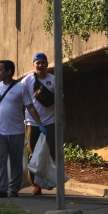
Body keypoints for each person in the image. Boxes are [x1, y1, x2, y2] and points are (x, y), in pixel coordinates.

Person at [0, 60, 46, 198]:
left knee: (16, 161)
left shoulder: (20, 88)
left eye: (0, 70)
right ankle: (1, 188)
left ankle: (14, 188)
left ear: (8, 72)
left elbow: (30, 107)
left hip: (16, 131)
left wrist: (39, 123)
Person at [21, 53, 65, 196]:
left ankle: (47, 178)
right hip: (32, 123)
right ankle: (36, 185)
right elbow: (19, 100)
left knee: (51, 151)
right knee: (33, 154)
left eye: (43, 62)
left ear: (47, 64)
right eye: (37, 62)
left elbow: (60, 101)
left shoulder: (53, 80)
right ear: (33, 65)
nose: (40, 65)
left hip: (50, 122)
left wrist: (63, 120)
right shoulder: (27, 80)